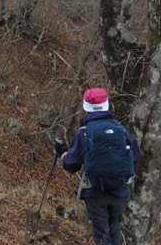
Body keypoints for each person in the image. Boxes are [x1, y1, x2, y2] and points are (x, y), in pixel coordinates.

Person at [55, 88, 142, 245]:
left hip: (95, 193)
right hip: (120, 192)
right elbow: (136, 156)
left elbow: (71, 166)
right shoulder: (121, 130)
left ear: (85, 106)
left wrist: (63, 154)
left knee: (102, 236)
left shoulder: (84, 132)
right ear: (107, 104)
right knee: (115, 232)